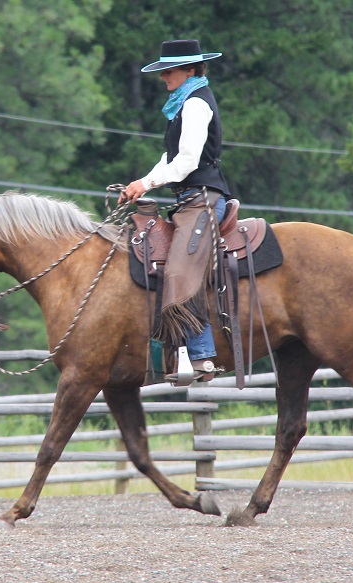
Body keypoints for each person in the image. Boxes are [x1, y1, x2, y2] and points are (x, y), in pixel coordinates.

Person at [119, 39, 231, 383]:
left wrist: (147, 184)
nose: (164, 76)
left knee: (180, 273)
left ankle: (202, 358)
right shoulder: (184, 103)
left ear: (190, 70)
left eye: (169, 70)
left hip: (203, 200)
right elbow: (170, 160)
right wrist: (141, 181)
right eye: (163, 70)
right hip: (189, 202)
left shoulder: (196, 105)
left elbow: (185, 162)